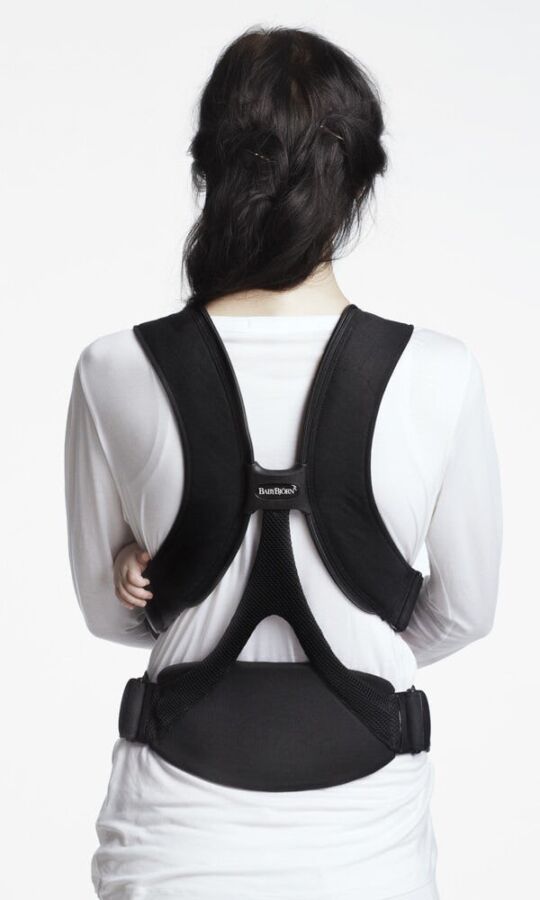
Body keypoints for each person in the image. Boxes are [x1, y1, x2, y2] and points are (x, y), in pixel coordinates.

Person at [64, 25, 503, 900]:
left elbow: (112, 616)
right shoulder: (440, 373)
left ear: (209, 169)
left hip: (172, 844)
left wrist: (175, 593)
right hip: (368, 846)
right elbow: (466, 613)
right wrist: (358, 641)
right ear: (361, 179)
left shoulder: (113, 367)